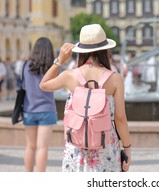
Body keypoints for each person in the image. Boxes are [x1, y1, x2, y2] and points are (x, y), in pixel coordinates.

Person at [39, 24, 131, 172]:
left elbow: (43, 85)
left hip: (77, 147)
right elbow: (120, 118)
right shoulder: (115, 79)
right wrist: (127, 148)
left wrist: (60, 60)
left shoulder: (70, 75)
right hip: (106, 146)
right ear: (105, 50)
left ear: (81, 50)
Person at [22, 37, 57, 172]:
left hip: (29, 110)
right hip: (46, 110)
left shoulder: (26, 66)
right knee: (42, 147)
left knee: (30, 146)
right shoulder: (52, 68)